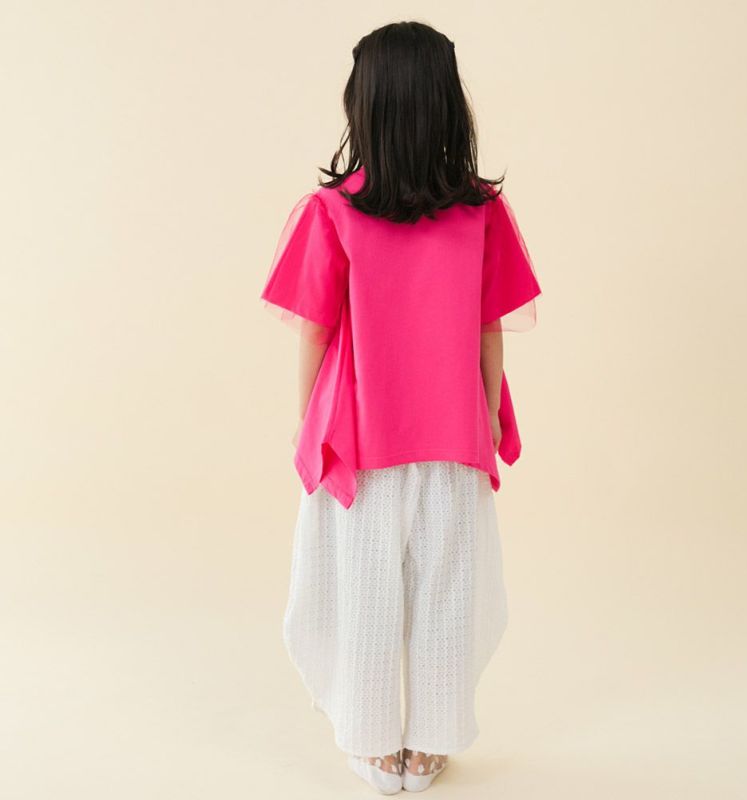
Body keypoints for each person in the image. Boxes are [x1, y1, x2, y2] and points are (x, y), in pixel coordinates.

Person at [260, 20, 542, 794]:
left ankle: (371, 739)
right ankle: (431, 741)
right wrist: (489, 415)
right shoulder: (479, 210)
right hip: (451, 432)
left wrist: (304, 424)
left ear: (369, 106)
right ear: (445, 104)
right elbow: (489, 330)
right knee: (449, 589)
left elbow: (315, 332)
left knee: (365, 591)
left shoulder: (332, 211)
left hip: (363, 436)